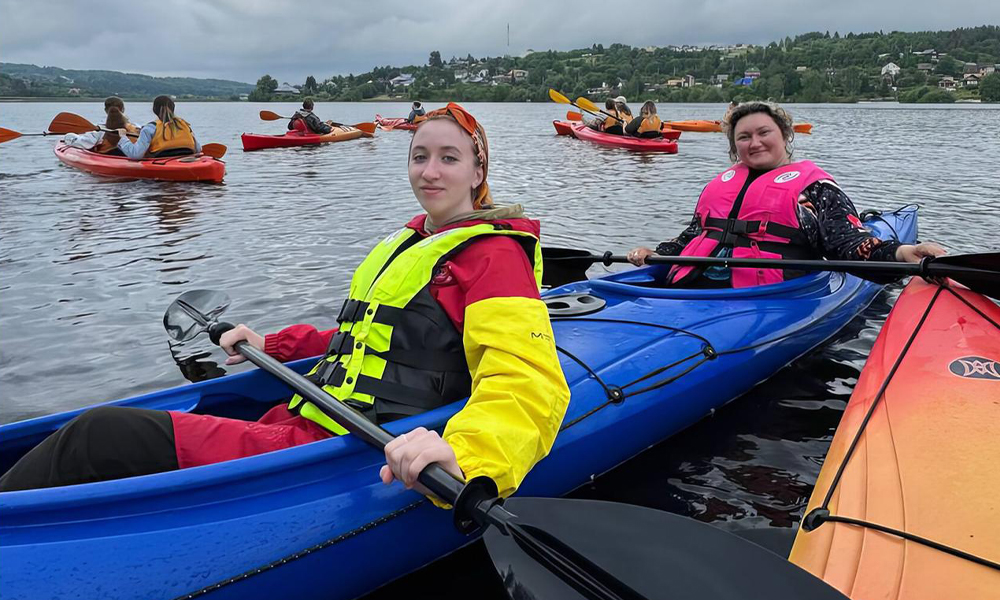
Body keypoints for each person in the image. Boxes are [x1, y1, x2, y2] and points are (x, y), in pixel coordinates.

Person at [0, 103, 571, 504]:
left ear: (478, 170)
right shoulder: (414, 239)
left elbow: (528, 382)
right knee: (88, 433)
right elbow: (373, 337)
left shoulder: (493, 255)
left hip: (353, 444)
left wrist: (469, 459)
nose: (429, 171)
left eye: (449, 158)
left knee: (99, 435)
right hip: (310, 417)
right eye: (419, 156)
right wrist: (273, 344)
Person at [626, 101, 945, 288]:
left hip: (770, 295)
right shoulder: (720, 184)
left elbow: (846, 243)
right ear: (734, 145)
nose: (754, 143)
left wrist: (901, 254)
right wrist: (655, 253)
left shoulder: (814, 189)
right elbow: (697, 234)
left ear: (785, 136)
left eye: (764, 133)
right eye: (744, 137)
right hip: (693, 286)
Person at [116, 95, 201, 159]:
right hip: (185, 159)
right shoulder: (185, 125)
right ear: (173, 108)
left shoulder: (149, 129)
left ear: (154, 110)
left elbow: (136, 154)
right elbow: (198, 149)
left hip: (163, 161)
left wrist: (123, 137)